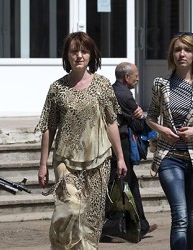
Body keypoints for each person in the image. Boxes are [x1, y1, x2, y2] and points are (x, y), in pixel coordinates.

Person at [36, 31, 128, 249]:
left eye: (84, 51)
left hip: (98, 161)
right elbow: (49, 126)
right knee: (70, 208)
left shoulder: (102, 85)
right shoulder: (57, 89)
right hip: (65, 160)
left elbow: (111, 122)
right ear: (66, 56)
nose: (79, 55)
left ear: (91, 55)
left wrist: (121, 157)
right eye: (74, 51)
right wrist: (42, 165)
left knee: (90, 221)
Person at [145, 32, 193, 250]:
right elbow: (150, 117)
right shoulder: (161, 84)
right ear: (172, 54)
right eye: (177, 50)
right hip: (169, 157)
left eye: (187, 50)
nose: (182, 54)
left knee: (192, 216)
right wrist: (162, 129)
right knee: (181, 216)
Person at [100, 62, 157, 243]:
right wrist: (141, 115)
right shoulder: (125, 96)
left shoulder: (111, 90)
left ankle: (140, 223)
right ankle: (112, 227)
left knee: (129, 184)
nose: (138, 78)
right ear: (126, 77)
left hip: (111, 145)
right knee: (121, 185)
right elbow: (138, 126)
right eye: (136, 75)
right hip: (121, 146)